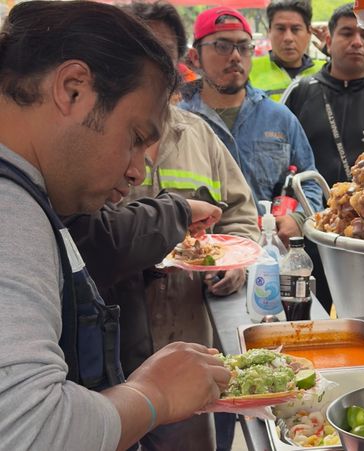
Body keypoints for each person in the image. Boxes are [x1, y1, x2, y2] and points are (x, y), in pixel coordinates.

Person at [0, 2, 230, 450]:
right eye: (136, 137)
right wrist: (152, 395)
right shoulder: (11, 211)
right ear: (72, 90)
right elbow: (30, 429)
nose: (138, 172)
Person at [74, 3, 262, 449]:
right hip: (111, 353)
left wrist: (234, 264)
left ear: (178, 62)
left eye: (160, 51)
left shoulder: (200, 135)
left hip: (190, 337)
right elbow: (93, 237)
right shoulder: (90, 143)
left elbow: (241, 215)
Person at [180, 6, 323, 246]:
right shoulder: (179, 122)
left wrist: (298, 218)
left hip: (265, 261)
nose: (235, 56)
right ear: (195, 58)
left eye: (244, 47)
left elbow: (309, 182)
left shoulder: (279, 118)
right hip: (195, 260)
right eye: (222, 46)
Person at [281, 2, 364, 187]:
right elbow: (275, 156)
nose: (357, 42)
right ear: (328, 42)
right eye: (347, 33)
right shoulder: (299, 91)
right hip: (303, 212)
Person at [250, 0, 326, 100]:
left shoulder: (326, 71)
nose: (288, 38)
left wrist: (332, 52)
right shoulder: (248, 71)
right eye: (281, 29)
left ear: (309, 32)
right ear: (269, 32)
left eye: (295, 29)